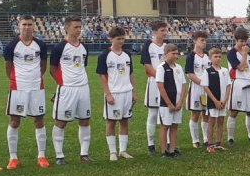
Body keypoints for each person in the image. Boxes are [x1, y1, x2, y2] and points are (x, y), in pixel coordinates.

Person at [3, 14, 49, 170]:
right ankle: (13, 157)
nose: (27, 27)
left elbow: (43, 66)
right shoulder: (12, 46)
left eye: (30, 24)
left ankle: (41, 156)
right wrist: (17, 80)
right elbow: (8, 67)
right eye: (24, 24)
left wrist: (34, 78)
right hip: (18, 88)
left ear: (34, 26)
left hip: (36, 87)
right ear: (19, 25)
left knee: (39, 120)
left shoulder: (40, 45)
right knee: (15, 121)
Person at [50, 16, 92, 165]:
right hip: (67, 89)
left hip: (83, 88)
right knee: (61, 122)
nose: (79, 30)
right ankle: (59, 155)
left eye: (80, 27)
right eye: (76, 27)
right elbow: (52, 69)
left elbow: (82, 67)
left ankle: (84, 154)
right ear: (67, 28)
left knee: (85, 120)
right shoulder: (59, 47)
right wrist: (62, 84)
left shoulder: (84, 47)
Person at [97, 27, 136, 161]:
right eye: (118, 38)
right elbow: (102, 76)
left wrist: (133, 91)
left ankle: (123, 150)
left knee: (124, 121)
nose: (121, 41)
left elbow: (130, 73)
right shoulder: (104, 55)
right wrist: (108, 94)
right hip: (114, 93)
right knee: (111, 122)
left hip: (127, 92)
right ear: (111, 39)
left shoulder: (127, 54)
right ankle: (112, 152)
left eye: (123, 38)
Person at [140, 20, 167, 155]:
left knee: (166, 113)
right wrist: (159, 77)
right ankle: (151, 144)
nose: (165, 33)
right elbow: (147, 65)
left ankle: (168, 143)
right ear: (155, 31)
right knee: (153, 113)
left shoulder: (167, 46)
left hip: (167, 84)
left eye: (166, 30)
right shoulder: (148, 45)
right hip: (154, 83)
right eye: (162, 30)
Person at [155, 44, 186, 158]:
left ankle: (172, 149)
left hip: (177, 102)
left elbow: (183, 85)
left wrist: (180, 101)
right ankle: (164, 151)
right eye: (173, 53)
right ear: (165, 54)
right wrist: (168, 103)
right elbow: (160, 86)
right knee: (165, 126)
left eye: (177, 53)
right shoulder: (161, 68)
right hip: (166, 103)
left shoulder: (179, 67)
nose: (176, 56)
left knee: (174, 126)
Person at [226, 28, 250, 144]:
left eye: (245, 41)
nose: (244, 44)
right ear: (236, 40)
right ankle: (230, 138)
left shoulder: (249, 54)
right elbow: (241, 67)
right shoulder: (231, 53)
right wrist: (244, 54)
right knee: (234, 111)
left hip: (249, 83)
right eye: (241, 41)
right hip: (237, 83)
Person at [185, 31, 211, 148]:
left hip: (207, 89)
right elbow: (190, 74)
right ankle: (195, 140)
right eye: (202, 40)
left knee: (206, 113)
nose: (204, 42)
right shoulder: (191, 56)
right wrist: (202, 83)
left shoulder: (207, 56)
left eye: (205, 40)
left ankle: (206, 139)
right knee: (195, 113)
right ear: (195, 41)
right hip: (196, 88)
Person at [202, 47, 231, 151]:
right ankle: (210, 144)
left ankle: (218, 143)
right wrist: (215, 101)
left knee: (221, 121)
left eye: (219, 56)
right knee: (211, 122)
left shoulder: (225, 70)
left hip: (222, 101)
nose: (218, 58)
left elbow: (228, 86)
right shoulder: (207, 71)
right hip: (213, 101)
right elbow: (206, 87)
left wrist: (225, 99)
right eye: (215, 56)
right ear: (210, 58)